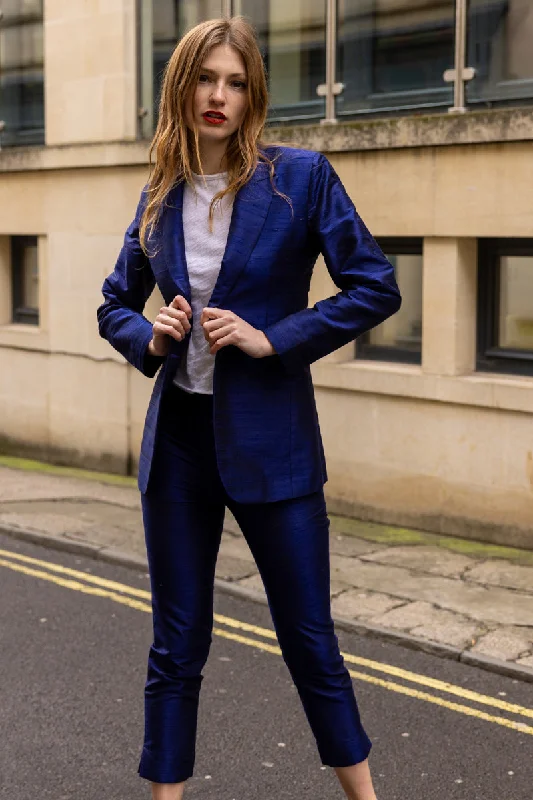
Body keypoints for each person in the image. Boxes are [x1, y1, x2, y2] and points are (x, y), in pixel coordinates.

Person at [97, 16, 401, 800]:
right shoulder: (159, 192)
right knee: (176, 644)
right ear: (181, 87)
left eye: (235, 82)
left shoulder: (299, 178)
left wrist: (276, 339)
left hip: (274, 443)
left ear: (252, 93)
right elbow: (112, 305)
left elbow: (374, 285)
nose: (218, 95)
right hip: (181, 447)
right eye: (205, 78)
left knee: (308, 639)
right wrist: (151, 336)